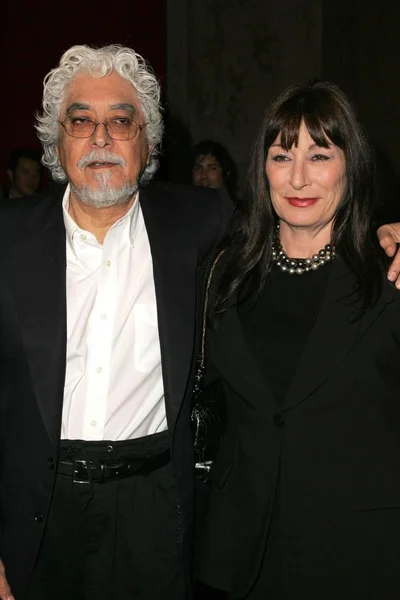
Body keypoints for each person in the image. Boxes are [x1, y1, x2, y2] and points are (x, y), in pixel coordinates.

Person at [0, 44, 232, 600]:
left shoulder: (202, 220)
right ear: (57, 139)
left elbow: (298, 233)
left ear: (147, 141)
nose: (100, 139)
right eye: (81, 120)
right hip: (36, 508)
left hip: (153, 508)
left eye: (120, 122)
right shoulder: (5, 238)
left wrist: (378, 241)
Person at [195, 81, 400, 599]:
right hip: (241, 554)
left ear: (350, 167)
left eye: (320, 154)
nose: (300, 177)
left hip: (359, 552)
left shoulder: (389, 275)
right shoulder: (223, 274)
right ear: (262, 170)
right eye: (283, 156)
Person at [191, 140, 238, 204]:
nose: (204, 175)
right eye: (198, 168)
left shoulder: (236, 211)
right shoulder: (181, 208)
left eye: (212, 168)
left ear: (226, 174)